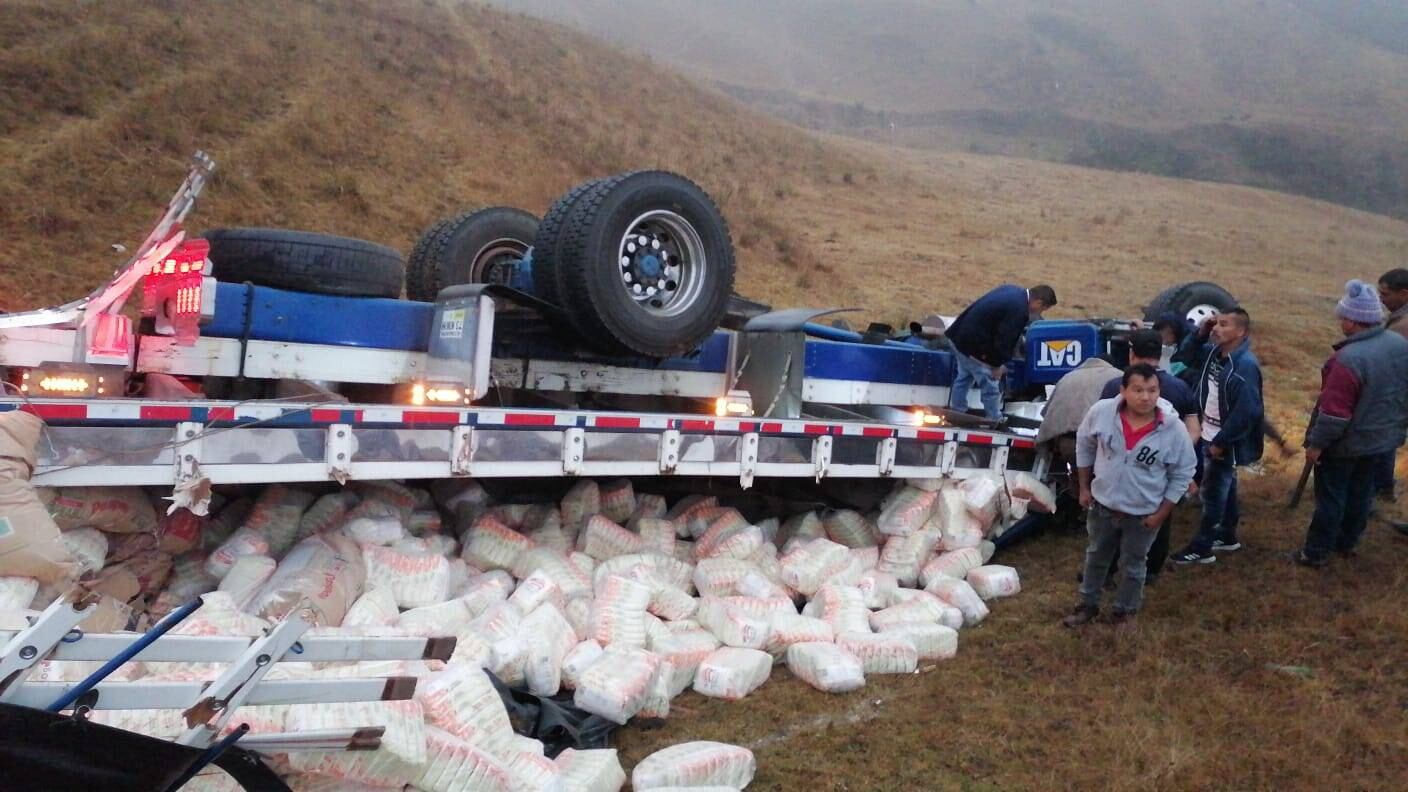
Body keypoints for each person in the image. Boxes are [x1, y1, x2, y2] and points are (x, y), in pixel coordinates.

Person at [1062, 364, 1197, 630]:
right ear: (1123, 390)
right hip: (1103, 506)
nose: (1145, 397)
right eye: (1138, 390)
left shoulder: (1173, 429)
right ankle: (1087, 605)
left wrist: (1161, 513)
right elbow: (1084, 444)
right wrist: (1084, 487)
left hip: (1143, 512)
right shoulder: (1101, 413)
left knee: (1135, 564)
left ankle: (1125, 612)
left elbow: (1183, 472)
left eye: (1152, 390)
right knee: (1096, 556)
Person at [1295, 280, 1408, 566]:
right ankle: (1347, 543)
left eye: (1343, 317)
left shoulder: (1347, 360)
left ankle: (1316, 552)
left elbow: (1334, 415)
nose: (1339, 322)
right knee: (1361, 493)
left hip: (1346, 444)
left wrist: (1317, 445)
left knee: (1331, 498)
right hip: (1381, 440)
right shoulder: (1398, 344)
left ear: (1353, 321)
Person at [1099, 329, 1200, 584]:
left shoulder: (1116, 386)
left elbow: (1102, 428)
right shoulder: (1180, 387)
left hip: (1121, 467)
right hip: (1161, 470)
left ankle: (1107, 570)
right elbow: (1194, 430)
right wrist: (1176, 459)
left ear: (1132, 354)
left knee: (1112, 521)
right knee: (1158, 520)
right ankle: (1151, 571)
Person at [1171, 307, 1265, 565]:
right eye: (1216, 324)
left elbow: (1247, 410)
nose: (1217, 328)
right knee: (1226, 484)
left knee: (1212, 493)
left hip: (1222, 439)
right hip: (1209, 430)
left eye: (1224, 324)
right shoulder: (1214, 353)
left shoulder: (1244, 366)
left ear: (1241, 331)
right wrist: (1200, 333)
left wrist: (1221, 441)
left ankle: (1202, 547)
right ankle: (1226, 535)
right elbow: (1184, 356)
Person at [946, 284, 1058, 420]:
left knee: (964, 376)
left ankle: (957, 412)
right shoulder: (1019, 310)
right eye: (1042, 309)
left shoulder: (1013, 291)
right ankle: (994, 419)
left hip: (958, 335)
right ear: (1039, 302)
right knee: (990, 383)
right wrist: (997, 366)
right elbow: (1004, 339)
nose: (1039, 313)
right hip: (972, 344)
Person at [1373, 268, 1408, 535]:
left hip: (1397, 398)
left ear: (1403, 294)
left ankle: (1373, 492)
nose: (1380, 298)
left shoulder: (1403, 326)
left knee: (1383, 439)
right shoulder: (1398, 319)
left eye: (1385, 294)